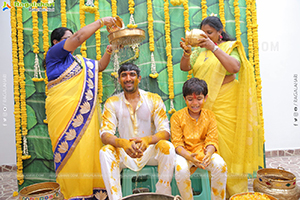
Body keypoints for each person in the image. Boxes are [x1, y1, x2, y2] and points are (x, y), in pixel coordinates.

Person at [179, 16, 264, 197]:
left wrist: (214, 48)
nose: (206, 37)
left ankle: (236, 193)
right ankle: (218, 194)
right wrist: (187, 52)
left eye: (209, 33)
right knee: (213, 148)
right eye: (203, 33)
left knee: (230, 149)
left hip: (227, 103)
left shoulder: (228, 47)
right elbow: (185, 68)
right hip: (206, 106)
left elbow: (234, 68)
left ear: (220, 32)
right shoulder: (199, 52)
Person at [45, 17, 117, 199]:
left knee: (87, 150)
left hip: (85, 116)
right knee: (70, 153)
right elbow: (78, 38)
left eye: (70, 37)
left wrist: (109, 51)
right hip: (62, 113)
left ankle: (92, 193)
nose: (72, 41)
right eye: (66, 39)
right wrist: (102, 21)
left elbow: (99, 67)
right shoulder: (53, 55)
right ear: (56, 43)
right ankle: (71, 194)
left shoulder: (78, 61)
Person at [99, 63, 175, 200]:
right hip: (124, 152)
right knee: (105, 152)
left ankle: (163, 196)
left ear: (139, 78)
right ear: (119, 80)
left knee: (167, 147)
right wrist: (122, 142)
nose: (128, 78)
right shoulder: (112, 102)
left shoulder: (153, 99)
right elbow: (105, 135)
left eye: (132, 74)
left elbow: (165, 132)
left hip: (149, 151)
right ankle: (116, 198)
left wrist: (147, 140)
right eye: (124, 75)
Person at [171, 78, 227, 200]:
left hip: (205, 153)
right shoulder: (177, 117)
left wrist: (209, 153)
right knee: (180, 170)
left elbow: (212, 140)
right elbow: (177, 144)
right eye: (190, 99)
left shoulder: (210, 116)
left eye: (199, 99)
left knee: (220, 165)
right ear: (185, 99)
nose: (195, 103)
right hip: (185, 154)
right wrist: (189, 156)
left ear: (205, 98)